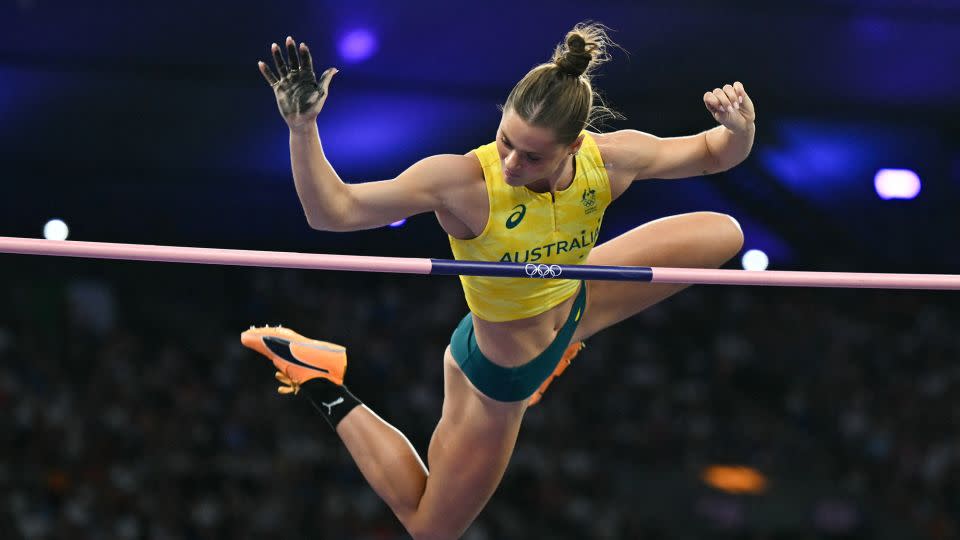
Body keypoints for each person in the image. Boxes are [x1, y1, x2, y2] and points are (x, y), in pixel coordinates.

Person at [242, 22, 752, 539]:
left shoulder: (611, 159)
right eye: (505, 141)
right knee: (431, 529)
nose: (511, 163)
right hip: (501, 375)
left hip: (577, 302)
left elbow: (714, 153)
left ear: (574, 145)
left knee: (725, 234)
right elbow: (334, 212)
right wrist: (302, 129)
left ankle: (566, 334)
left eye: (532, 157)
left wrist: (739, 130)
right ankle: (321, 377)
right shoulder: (462, 182)